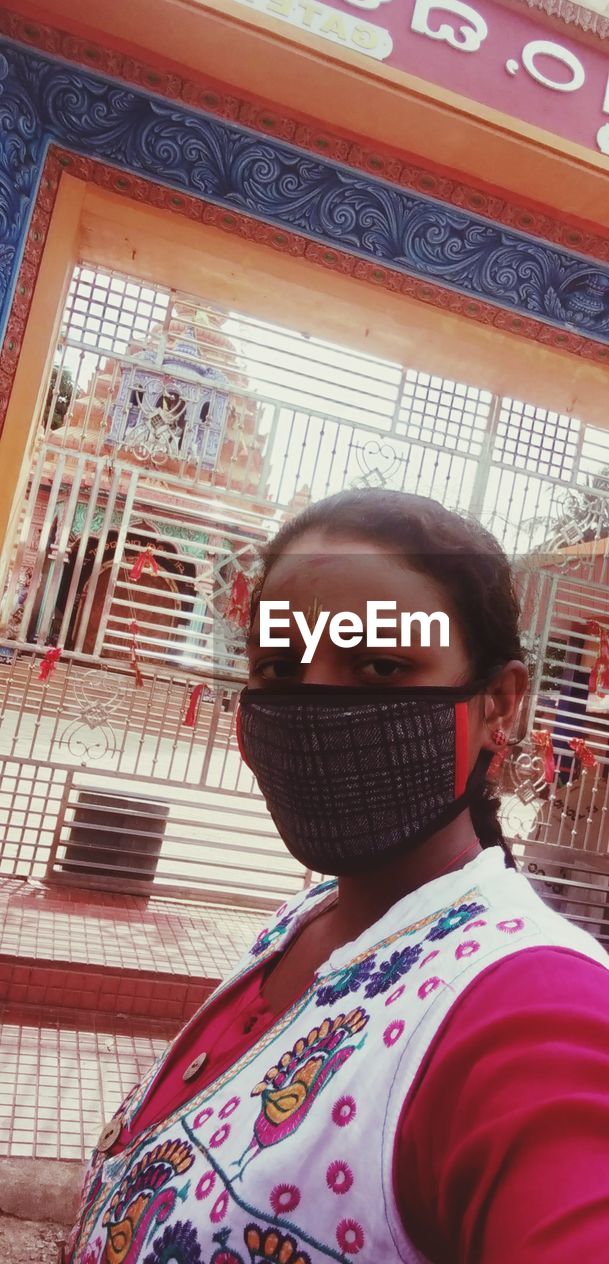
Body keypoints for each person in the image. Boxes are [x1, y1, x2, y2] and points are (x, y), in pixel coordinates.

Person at [63, 489, 609, 1264]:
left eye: (381, 664)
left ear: (498, 703)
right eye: (280, 666)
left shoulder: (535, 1009)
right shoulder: (315, 918)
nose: (313, 702)